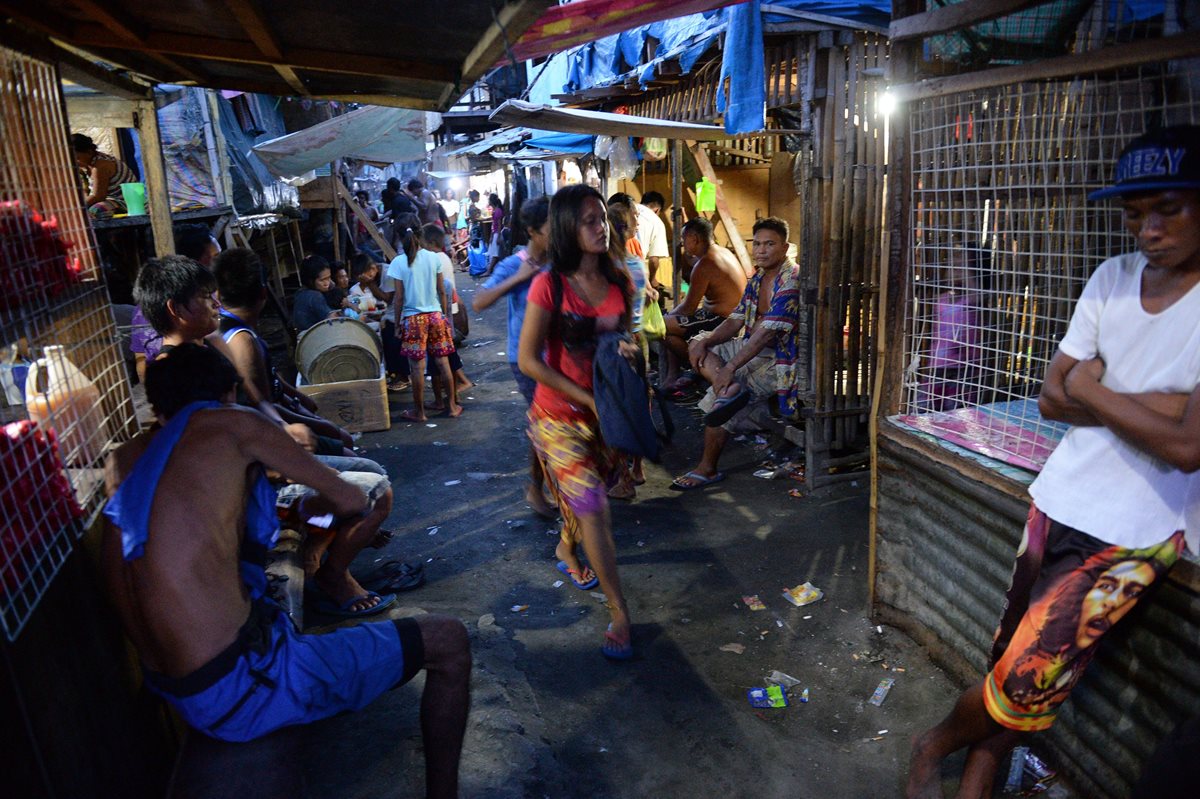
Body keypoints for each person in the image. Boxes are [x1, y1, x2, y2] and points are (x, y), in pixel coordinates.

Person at [907, 125, 1200, 799]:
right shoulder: (1111, 278)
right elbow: (1048, 396)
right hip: (1060, 495)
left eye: (1168, 209)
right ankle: (977, 783)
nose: (1148, 230)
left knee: (1023, 678)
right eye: (1134, 216)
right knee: (1010, 657)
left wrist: (1095, 387)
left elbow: (1187, 447)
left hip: (1136, 529)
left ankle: (937, 741)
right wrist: (1156, 405)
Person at [101, 343, 470, 795]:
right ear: (227, 394)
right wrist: (309, 515)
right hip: (239, 687)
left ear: (159, 408)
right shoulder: (232, 423)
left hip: (173, 689)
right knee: (448, 640)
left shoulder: (126, 457)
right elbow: (350, 502)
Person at [518, 184, 637, 660]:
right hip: (557, 416)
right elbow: (529, 360)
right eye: (588, 219)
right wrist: (584, 396)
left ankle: (566, 550)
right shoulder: (549, 284)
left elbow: (622, 335)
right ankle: (620, 611)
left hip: (606, 414)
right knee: (592, 506)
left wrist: (626, 352)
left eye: (601, 216)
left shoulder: (619, 278)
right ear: (567, 226)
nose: (599, 225)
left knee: (592, 493)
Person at [670, 217, 801, 490]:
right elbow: (735, 320)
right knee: (701, 347)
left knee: (718, 399)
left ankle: (707, 468)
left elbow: (766, 334)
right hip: (750, 347)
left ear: (785, 247)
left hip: (780, 359)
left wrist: (729, 370)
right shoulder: (758, 279)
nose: (762, 250)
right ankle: (728, 390)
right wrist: (705, 339)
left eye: (770, 244)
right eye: (758, 244)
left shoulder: (791, 280)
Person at [474, 196, 556, 518]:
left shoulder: (562, 261)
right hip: (527, 360)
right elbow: (479, 301)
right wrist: (521, 277)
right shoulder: (514, 264)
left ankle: (547, 486)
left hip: (561, 357)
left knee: (552, 422)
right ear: (534, 231)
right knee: (547, 422)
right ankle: (537, 487)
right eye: (553, 228)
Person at [661, 217, 748, 393]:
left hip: (722, 320)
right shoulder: (722, 252)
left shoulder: (705, 264)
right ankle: (676, 374)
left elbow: (688, 309)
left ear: (694, 238)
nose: (683, 245)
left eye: (684, 240)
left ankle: (693, 368)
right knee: (667, 328)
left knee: (661, 325)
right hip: (724, 315)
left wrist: (666, 318)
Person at [129, 223, 221, 380]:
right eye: (215, 259)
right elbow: (142, 364)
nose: (216, 304)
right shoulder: (173, 368)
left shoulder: (199, 348)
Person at [388, 223, 461, 422]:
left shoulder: (398, 262)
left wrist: (396, 324)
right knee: (443, 363)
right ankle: (453, 406)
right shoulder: (433, 258)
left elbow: (399, 298)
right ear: (420, 235)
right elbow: (441, 290)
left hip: (413, 320)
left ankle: (419, 412)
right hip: (436, 316)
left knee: (417, 369)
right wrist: (445, 316)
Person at [71, 132, 138, 218]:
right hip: (108, 200)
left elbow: (98, 196)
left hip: (124, 202)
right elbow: (85, 192)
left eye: (77, 158)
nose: (73, 161)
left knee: (95, 211)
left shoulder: (101, 166)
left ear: (89, 152)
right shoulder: (85, 166)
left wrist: (74, 208)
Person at [293, 255, 341, 331]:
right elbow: (333, 319)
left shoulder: (300, 293)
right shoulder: (315, 296)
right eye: (322, 280)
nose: (327, 283)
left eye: (329, 278)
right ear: (310, 281)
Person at [636, 191, 671, 295]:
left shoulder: (629, 209)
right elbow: (654, 260)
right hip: (633, 270)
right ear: (657, 210)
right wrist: (652, 279)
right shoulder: (656, 221)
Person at [484, 193, 505, 274]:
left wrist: (498, 236)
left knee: (495, 254)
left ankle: (489, 271)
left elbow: (499, 225)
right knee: (494, 253)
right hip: (495, 233)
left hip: (497, 233)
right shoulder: (496, 210)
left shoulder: (498, 211)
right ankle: (490, 270)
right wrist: (491, 236)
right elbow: (494, 225)